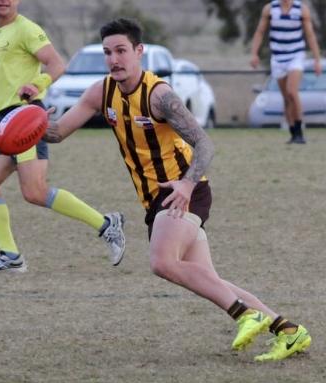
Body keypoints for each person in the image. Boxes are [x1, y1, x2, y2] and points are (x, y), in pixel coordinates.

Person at [43, 18, 311, 362]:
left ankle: (245, 314)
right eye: (108, 52)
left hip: (186, 188)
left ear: (139, 52)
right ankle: (289, 331)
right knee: (207, 278)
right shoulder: (101, 92)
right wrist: (33, 120)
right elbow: (58, 132)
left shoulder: (160, 96)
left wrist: (186, 183)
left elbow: (205, 144)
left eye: (122, 50)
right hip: (155, 197)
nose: (114, 59)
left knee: (162, 262)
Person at [0, 0, 125, 273]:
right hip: (5, 122)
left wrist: (38, 83)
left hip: (26, 116)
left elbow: (56, 64)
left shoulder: (27, 29)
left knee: (35, 192)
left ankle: (106, 225)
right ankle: (10, 255)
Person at [250, 0, 322, 144]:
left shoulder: (301, 9)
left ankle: (300, 131)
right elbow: (260, 32)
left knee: (292, 92)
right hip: (278, 58)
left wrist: (317, 59)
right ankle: (293, 132)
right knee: (286, 98)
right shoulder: (270, 9)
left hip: (296, 55)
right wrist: (254, 54)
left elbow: (310, 35)